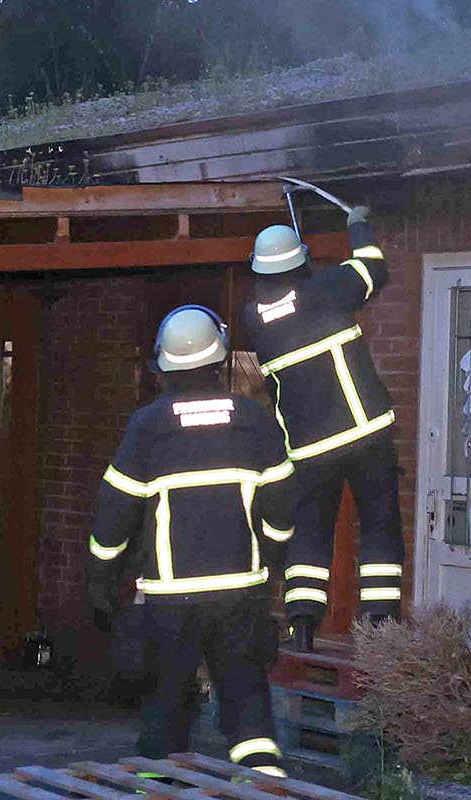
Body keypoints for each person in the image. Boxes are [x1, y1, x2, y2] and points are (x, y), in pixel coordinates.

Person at [86, 305, 297, 778]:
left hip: (169, 597)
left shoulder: (147, 426)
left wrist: (100, 577)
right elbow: (282, 504)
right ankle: (265, 785)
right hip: (240, 592)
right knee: (247, 703)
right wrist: (272, 554)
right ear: (219, 359)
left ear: (164, 366)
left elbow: (115, 510)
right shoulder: (255, 420)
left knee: (166, 704)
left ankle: (153, 788)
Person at [240, 204, 403, 652]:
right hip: (364, 432)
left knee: (310, 531)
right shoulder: (327, 290)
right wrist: (359, 224)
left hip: (308, 449)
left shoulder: (254, 316)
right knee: (379, 523)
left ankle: (303, 623)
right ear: (300, 261)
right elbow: (374, 268)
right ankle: (381, 625)